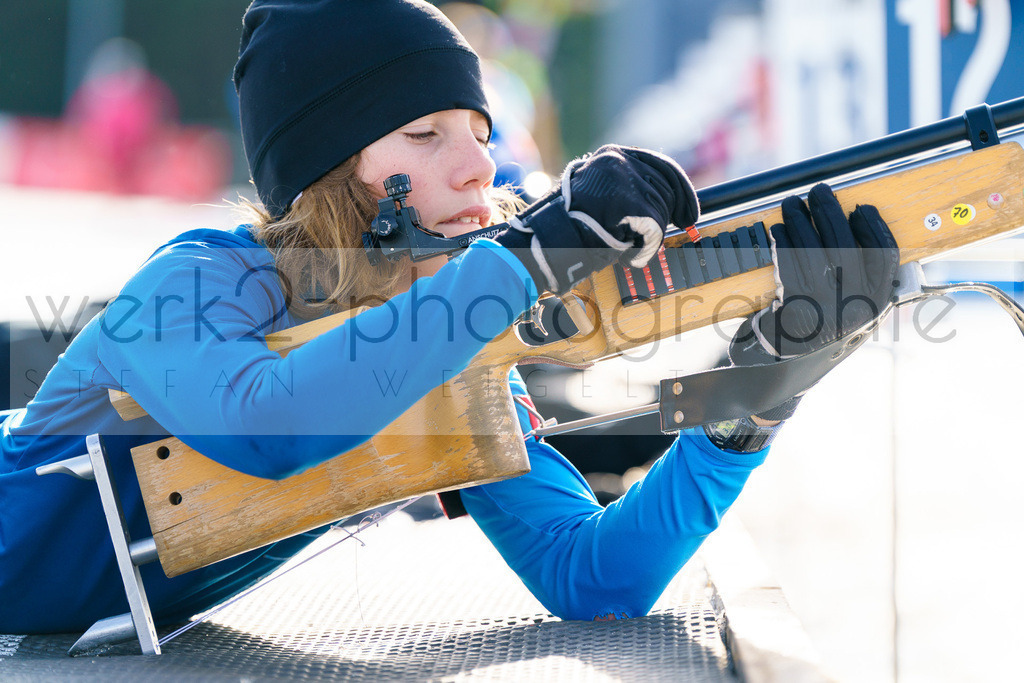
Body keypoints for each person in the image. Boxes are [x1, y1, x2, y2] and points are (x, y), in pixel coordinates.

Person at [0, 0, 898, 633]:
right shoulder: (195, 278)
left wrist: (754, 388)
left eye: (479, 127)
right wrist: (521, 263)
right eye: (424, 135)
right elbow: (268, 423)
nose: (480, 166)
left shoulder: (443, 345)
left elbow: (595, 578)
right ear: (331, 177)